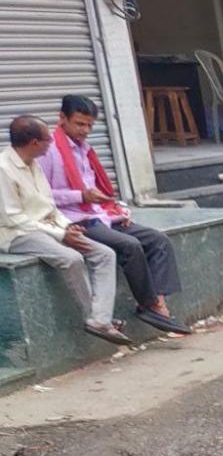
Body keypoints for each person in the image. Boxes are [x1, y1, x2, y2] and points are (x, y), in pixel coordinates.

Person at [43, 96, 188, 336]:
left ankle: (157, 302)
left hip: (100, 215)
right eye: (79, 124)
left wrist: (117, 209)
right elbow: (43, 195)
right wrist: (81, 196)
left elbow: (97, 189)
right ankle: (149, 304)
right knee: (129, 245)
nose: (85, 130)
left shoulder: (83, 149)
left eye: (90, 125)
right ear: (62, 118)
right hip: (74, 219)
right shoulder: (48, 150)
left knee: (158, 240)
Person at [1, 115, 126, 345]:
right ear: (34, 143)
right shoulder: (4, 169)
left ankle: (100, 319)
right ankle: (96, 319)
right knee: (71, 258)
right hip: (16, 234)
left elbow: (49, 206)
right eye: (48, 140)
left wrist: (66, 226)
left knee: (104, 254)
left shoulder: (34, 164)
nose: (52, 143)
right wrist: (60, 234)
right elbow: (13, 217)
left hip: (47, 227)